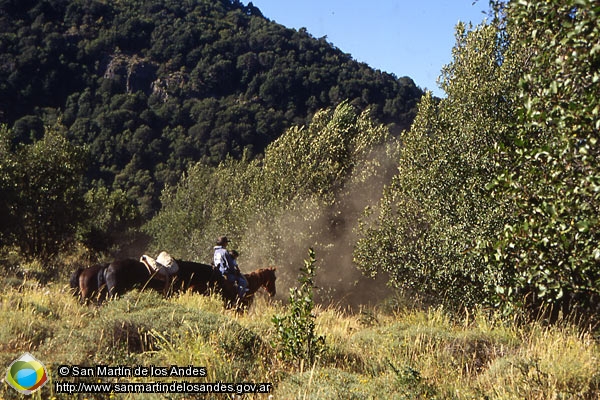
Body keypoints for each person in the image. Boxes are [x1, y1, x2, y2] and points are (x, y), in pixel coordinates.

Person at [213, 236, 248, 301]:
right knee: (243, 282)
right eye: (226, 242)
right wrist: (235, 272)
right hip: (225, 273)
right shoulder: (225, 251)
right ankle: (239, 298)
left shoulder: (216, 252)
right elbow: (230, 265)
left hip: (218, 272)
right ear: (224, 243)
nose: (227, 244)